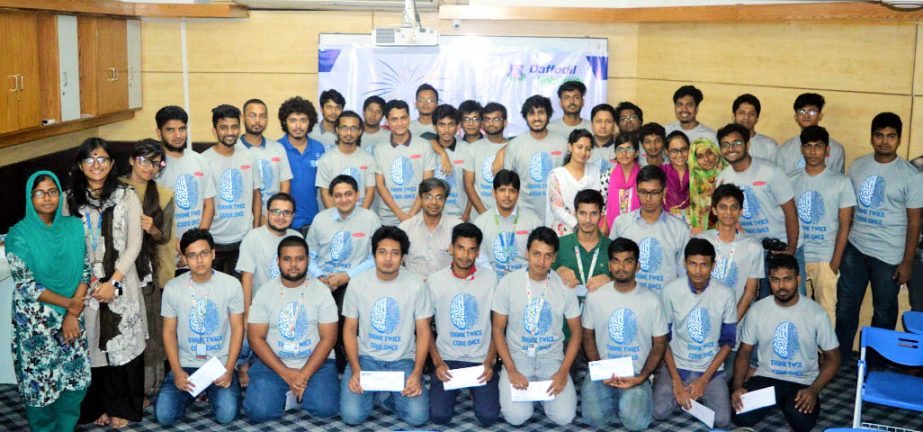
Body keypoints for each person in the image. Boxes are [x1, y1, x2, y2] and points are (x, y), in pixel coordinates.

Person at [66, 138, 147, 428]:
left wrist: (113, 282)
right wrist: (91, 281)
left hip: (121, 282)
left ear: (112, 164)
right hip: (86, 285)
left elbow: (134, 244)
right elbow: (69, 246)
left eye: (102, 159)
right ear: (80, 165)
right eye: (89, 160)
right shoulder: (70, 199)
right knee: (94, 347)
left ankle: (122, 407)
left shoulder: (127, 196)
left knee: (122, 346)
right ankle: (98, 407)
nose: (96, 165)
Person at [7, 171, 92, 431]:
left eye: (52, 191)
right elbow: (27, 285)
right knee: (41, 384)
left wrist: (71, 315)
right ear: (30, 197)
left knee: (74, 379)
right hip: (37, 323)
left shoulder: (74, 227)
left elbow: (85, 271)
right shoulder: (18, 235)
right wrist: (70, 306)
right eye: (40, 193)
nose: (47, 198)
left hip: (71, 317)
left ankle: (66, 427)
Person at [836, 112, 923, 364]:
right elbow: (849, 208)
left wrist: (906, 262)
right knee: (845, 308)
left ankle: (876, 363)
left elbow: (914, 222)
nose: (885, 141)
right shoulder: (858, 165)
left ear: (898, 139)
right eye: (879, 135)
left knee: (884, 311)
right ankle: (838, 359)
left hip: (889, 254)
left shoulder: (910, 175)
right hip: (856, 247)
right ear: (872, 137)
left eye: (891, 136)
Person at [732, 255, 840, 432]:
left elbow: (834, 358)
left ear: (798, 279)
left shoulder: (816, 314)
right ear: (769, 280)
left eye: (787, 279)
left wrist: (813, 390)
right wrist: (737, 387)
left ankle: (785, 402)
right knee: (740, 416)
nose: (781, 286)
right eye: (775, 280)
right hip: (767, 377)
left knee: (802, 423)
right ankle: (775, 400)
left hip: (802, 381)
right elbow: (744, 352)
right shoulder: (758, 310)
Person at [339, 226, 433, 426]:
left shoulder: (416, 284)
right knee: (351, 416)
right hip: (366, 359)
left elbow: (424, 331)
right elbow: (348, 329)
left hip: (402, 361)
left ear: (403, 257)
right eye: (382, 252)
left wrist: (416, 373)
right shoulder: (357, 283)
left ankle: (382, 394)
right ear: (374, 254)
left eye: (395, 253)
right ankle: (381, 392)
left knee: (418, 417)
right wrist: (356, 369)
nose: (388, 258)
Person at [492, 227, 582, 426]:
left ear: (554, 257)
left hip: (551, 359)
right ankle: (531, 393)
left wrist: (563, 371)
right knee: (516, 417)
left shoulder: (564, 287)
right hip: (518, 357)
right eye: (536, 254)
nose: (541, 262)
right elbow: (498, 330)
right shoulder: (508, 283)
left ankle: (541, 395)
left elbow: (576, 332)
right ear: (527, 253)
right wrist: (512, 370)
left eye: (548, 256)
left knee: (564, 417)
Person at [243, 236, 339, 422]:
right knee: (258, 412)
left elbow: (329, 339)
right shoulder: (265, 292)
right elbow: (255, 338)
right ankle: (291, 389)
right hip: (274, 363)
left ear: (308, 261)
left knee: (325, 409)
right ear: (278, 261)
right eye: (287, 259)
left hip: (316, 364)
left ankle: (294, 389)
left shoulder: (322, 292)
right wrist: (286, 373)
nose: (293, 264)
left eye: (300, 259)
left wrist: (303, 375)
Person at [155, 229, 244, 425]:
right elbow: (168, 331)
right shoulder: (173, 287)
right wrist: (177, 371)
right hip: (186, 363)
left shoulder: (231, 285)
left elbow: (238, 328)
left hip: (219, 363)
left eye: (204, 253)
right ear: (185, 259)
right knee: (164, 416)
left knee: (226, 415)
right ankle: (199, 392)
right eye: (192, 255)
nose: (200, 260)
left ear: (213, 254)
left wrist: (229, 369)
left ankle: (214, 390)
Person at [580, 238, 668, 430]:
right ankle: (616, 401)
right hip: (603, 369)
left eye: (628, 261)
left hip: (635, 373)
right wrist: (600, 369)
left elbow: (660, 344)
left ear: (637, 266)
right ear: (609, 264)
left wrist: (643, 377)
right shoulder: (595, 297)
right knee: (594, 419)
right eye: (616, 261)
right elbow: (587, 336)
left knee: (635, 423)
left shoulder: (652, 300)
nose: (621, 267)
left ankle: (631, 398)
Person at [652, 238, 736, 429]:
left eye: (704, 265)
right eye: (693, 264)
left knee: (722, 420)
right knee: (658, 411)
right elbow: (664, 340)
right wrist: (676, 382)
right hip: (678, 366)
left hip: (710, 369)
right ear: (685, 263)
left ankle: (694, 394)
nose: (698, 271)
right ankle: (686, 394)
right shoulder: (670, 291)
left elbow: (728, 342)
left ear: (713, 266)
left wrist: (704, 381)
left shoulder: (726, 294)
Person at [715, 123, 805, 298]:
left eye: (737, 143)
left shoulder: (770, 171)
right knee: (763, 302)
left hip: (782, 246)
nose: (731, 149)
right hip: (754, 250)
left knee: (793, 300)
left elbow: (790, 212)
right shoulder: (723, 177)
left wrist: (791, 249)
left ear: (748, 145)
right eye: (725, 145)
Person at [427, 223, 500, 427]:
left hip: (480, 360)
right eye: (460, 248)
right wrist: (437, 362)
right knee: (438, 416)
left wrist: (489, 361)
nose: (465, 255)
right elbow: (424, 328)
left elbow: (498, 325)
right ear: (451, 248)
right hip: (448, 360)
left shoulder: (491, 279)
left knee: (488, 417)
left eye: (471, 249)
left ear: (477, 252)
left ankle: (476, 389)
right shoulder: (435, 281)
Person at [307, 175, 381, 371]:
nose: (343, 199)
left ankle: (349, 361)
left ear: (357, 195)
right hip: (322, 280)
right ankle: (329, 363)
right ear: (331, 198)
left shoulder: (370, 218)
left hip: (356, 280)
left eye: (348, 194)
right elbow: (308, 256)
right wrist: (322, 277)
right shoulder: (320, 219)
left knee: (344, 311)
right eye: (338, 195)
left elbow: (375, 258)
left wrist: (347, 276)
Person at [121, 139, 176, 403]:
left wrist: (151, 228)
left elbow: (164, 237)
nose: (150, 168)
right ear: (132, 160)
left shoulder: (164, 194)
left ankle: (149, 388)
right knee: (124, 330)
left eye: (156, 163)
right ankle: (125, 389)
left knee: (152, 330)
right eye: (145, 160)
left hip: (151, 273)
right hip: (119, 272)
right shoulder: (115, 189)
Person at [697, 184, 765, 378]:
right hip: (705, 321)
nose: (728, 212)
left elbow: (750, 291)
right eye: (723, 207)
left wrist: (730, 324)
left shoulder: (752, 246)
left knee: (725, 378)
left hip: (735, 323)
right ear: (714, 210)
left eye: (734, 207)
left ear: (741, 211)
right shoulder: (702, 241)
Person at [790, 125, 855, 323]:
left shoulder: (841, 182)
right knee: (795, 312)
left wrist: (834, 262)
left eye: (818, 146)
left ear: (827, 150)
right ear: (801, 149)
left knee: (826, 313)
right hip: (798, 255)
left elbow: (845, 225)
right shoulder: (790, 180)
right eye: (808, 146)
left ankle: (825, 354)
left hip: (825, 257)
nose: (812, 151)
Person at [235, 192, 302, 384]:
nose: (281, 217)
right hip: (260, 309)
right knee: (243, 340)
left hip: (289, 308)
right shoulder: (253, 238)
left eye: (286, 213)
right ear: (267, 212)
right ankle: (244, 365)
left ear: (293, 216)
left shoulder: (297, 237)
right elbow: (247, 278)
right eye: (276, 211)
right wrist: (247, 314)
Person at [201, 104, 261, 277]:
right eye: (224, 127)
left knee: (242, 292)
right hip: (214, 241)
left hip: (243, 239)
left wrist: (255, 229)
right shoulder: (204, 161)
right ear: (214, 130)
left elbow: (257, 193)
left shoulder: (248, 156)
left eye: (234, 127)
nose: (230, 132)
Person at [609, 165, 690, 293]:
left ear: (664, 192)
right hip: (628, 300)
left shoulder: (680, 229)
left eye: (654, 192)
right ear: (636, 190)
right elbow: (612, 267)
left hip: (664, 305)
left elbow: (684, 275)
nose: (648, 198)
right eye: (643, 192)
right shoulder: (621, 223)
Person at [154, 105, 215, 249]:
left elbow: (209, 206)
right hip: (167, 249)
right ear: (159, 133)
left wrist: (197, 245)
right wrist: (180, 248)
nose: (178, 135)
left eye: (182, 129)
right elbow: (153, 215)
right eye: (170, 130)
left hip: (197, 250)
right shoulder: (154, 166)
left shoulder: (200, 160)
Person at [501, 95, 568, 221]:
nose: (536, 118)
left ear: (548, 115)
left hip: (558, 216)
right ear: (526, 117)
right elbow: (508, 183)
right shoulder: (515, 145)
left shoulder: (562, 144)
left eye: (541, 113)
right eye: (531, 113)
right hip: (524, 215)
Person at [374, 99, 438, 225]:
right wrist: (399, 214)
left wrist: (411, 215)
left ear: (409, 118)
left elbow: (427, 184)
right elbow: (380, 185)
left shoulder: (424, 145)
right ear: (387, 121)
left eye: (403, 118)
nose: (400, 123)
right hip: (388, 217)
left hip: (418, 216)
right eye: (394, 119)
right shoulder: (379, 148)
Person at [473, 170, 543, 279]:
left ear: (518, 194)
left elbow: (540, 257)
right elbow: (478, 259)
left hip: (525, 282)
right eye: (502, 190)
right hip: (491, 282)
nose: (507, 195)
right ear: (493, 193)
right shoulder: (480, 223)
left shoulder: (534, 222)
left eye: (512, 191)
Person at [277, 96, 326, 235]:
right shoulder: (277, 149)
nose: (298, 126)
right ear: (285, 122)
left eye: (303, 120)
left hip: (313, 221)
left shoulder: (318, 148)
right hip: (284, 222)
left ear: (310, 122)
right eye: (293, 120)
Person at [239, 99, 293, 222]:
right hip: (244, 222)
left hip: (274, 219)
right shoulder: (235, 150)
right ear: (242, 118)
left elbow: (285, 185)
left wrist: (274, 215)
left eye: (262, 116)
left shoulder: (278, 149)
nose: (257, 120)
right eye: (252, 115)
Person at [553, 189, 612, 300]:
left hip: (599, 315)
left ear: (601, 215)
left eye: (593, 213)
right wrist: (556, 272)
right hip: (565, 315)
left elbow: (626, 283)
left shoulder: (612, 248)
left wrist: (611, 280)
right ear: (575, 214)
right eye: (583, 213)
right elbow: (541, 278)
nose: (588, 220)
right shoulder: (559, 245)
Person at [400, 178, 462, 279]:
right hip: (415, 288)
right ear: (420, 199)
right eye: (428, 197)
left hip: (446, 288)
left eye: (439, 197)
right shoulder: (405, 228)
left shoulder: (457, 228)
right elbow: (398, 266)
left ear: (445, 200)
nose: (434, 202)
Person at [316, 111, 378, 210]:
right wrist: (337, 218)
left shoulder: (368, 158)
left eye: (353, 128)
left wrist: (361, 217)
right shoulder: (326, 159)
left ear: (360, 131)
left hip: (362, 217)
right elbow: (325, 193)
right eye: (344, 128)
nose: (348, 133)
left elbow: (370, 191)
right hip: (335, 218)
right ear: (337, 130)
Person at [546, 129, 601, 236]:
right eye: (579, 147)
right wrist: (577, 225)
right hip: (563, 232)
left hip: (590, 230)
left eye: (588, 149)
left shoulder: (595, 172)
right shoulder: (556, 175)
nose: (583, 152)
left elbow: (597, 202)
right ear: (570, 147)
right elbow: (557, 208)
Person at [777, 93, 846, 176]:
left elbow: (836, 180)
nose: (806, 115)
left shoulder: (835, 148)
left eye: (812, 111)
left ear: (820, 116)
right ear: (795, 117)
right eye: (802, 111)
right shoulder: (785, 149)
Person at [464, 102, 509, 217]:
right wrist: (483, 214)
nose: (491, 123)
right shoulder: (472, 148)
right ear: (482, 124)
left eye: (496, 119)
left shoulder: (514, 148)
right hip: (479, 216)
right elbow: (469, 185)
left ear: (505, 122)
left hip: (508, 215)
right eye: (487, 119)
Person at [431, 104, 470, 219]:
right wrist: (443, 154)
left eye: (451, 125)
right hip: (433, 216)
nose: (446, 130)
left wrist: (466, 215)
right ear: (434, 127)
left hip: (459, 216)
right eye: (442, 125)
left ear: (458, 127)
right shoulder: (426, 148)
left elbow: (473, 187)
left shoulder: (467, 149)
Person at [688, 136, 726, 234]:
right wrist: (696, 225)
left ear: (715, 152)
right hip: (702, 225)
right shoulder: (694, 177)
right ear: (694, 159)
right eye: (700, 156)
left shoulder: (727, 171)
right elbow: (694, 205)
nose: (706, 159)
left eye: (709, 153)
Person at [604, 133, 641, 231]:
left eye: (628, 149)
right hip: (613, 231)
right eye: (620, 149)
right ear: (615, 153)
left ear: (636, 153)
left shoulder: (643, 176)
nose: (624, 153)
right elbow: (602, 206)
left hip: (639, 230)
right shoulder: (607, 175)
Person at [732, 93, 779, 164]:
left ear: (757, 118)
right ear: (733, 116)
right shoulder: (724, 144)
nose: (746, 118)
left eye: (751, 114)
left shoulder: (769, 145)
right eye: (742, 113)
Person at [663, 131, 690, 220]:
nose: (680, 154)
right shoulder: (660, 172)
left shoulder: (697, 173)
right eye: (674, 150)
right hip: (666, 222)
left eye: (684, 149)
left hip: (694, 224)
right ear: (667, 152)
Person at [588, 103, 617, 172]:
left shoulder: (620, 147)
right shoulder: (584, 146)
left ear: (614, 124)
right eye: (599, 121)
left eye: (608, 122)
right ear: (592, 124)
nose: (603, 126)